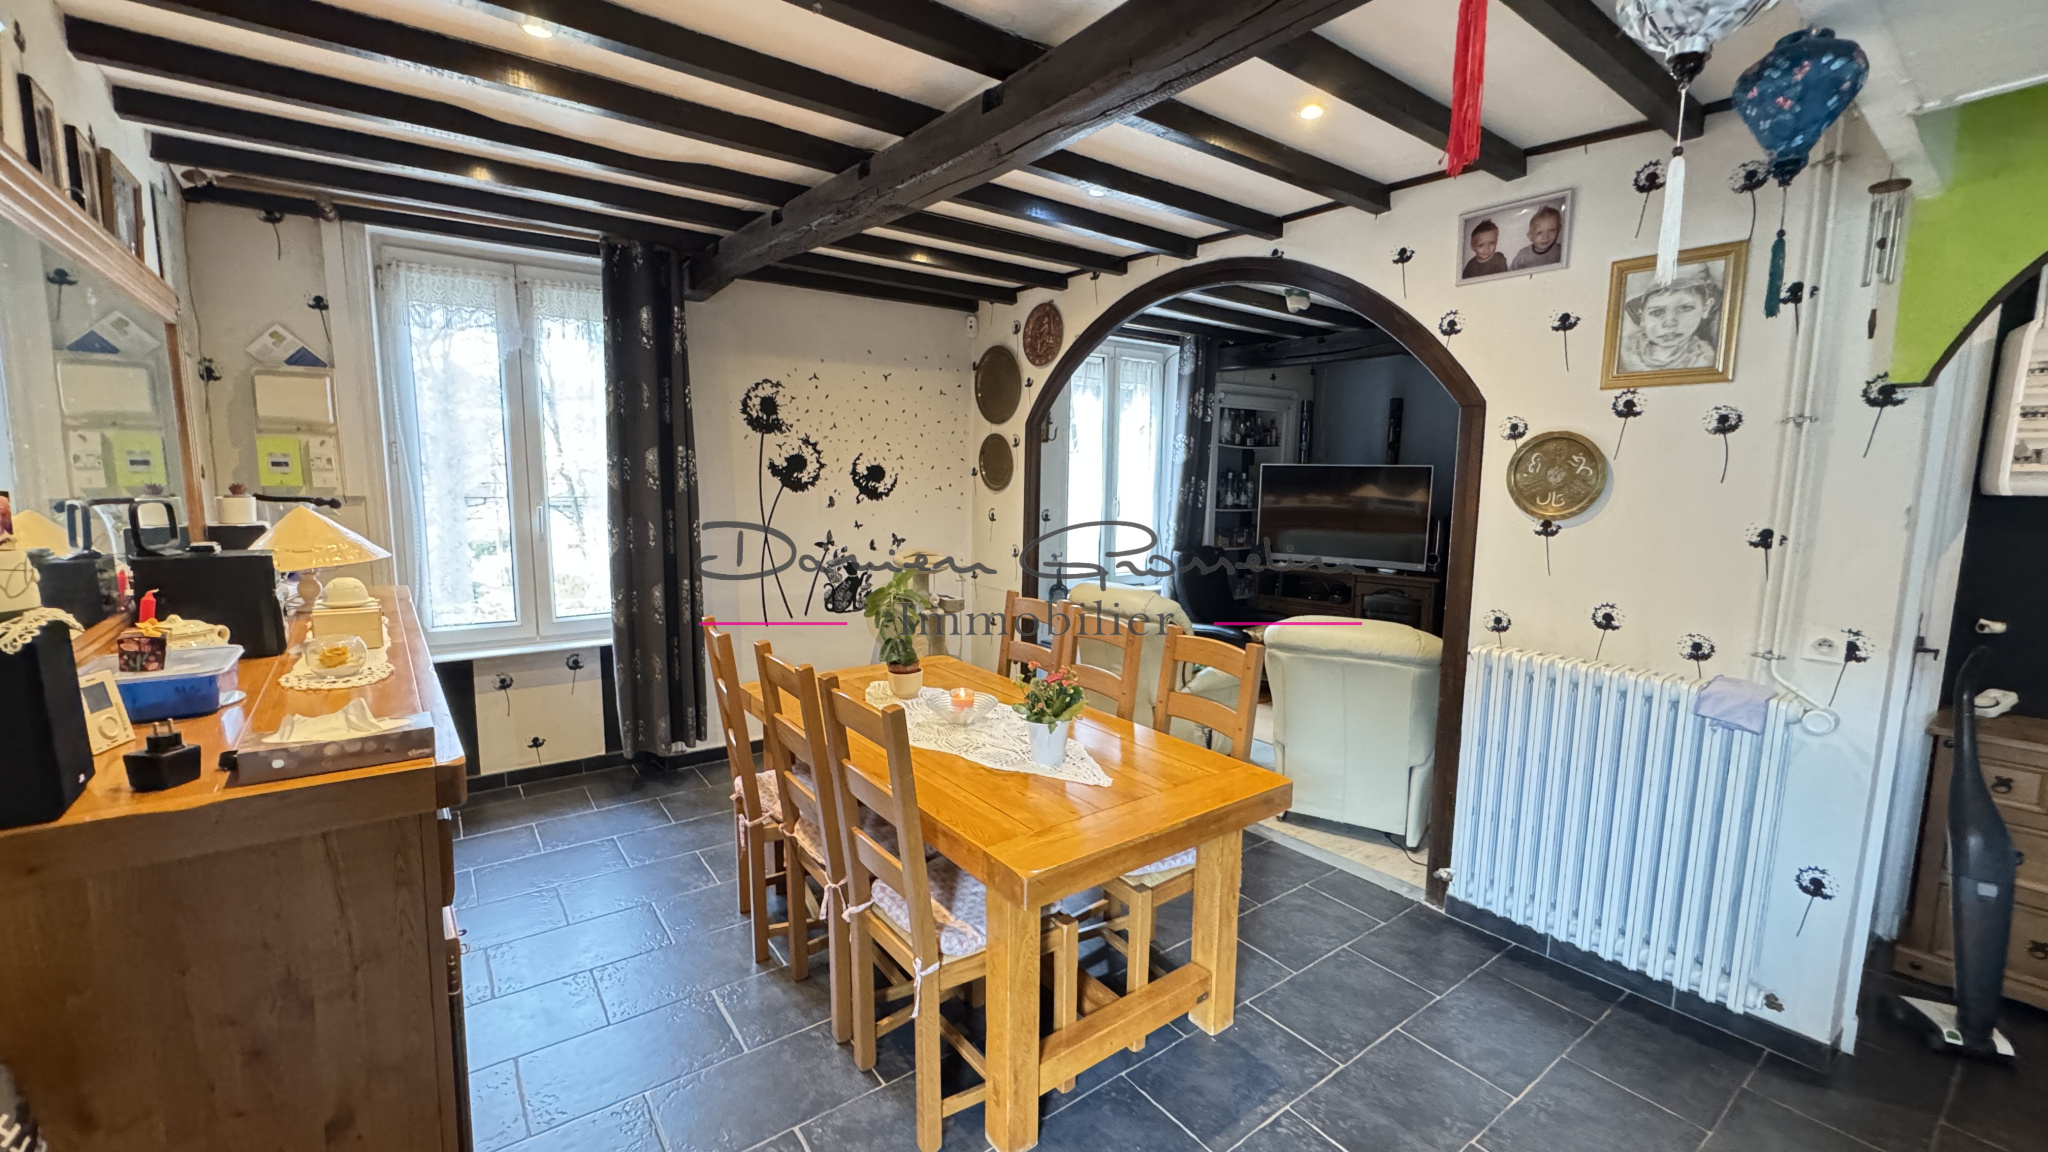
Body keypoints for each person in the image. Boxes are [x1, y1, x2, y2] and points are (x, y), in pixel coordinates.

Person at [1618, 263, 1721, 373]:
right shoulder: (1624, 351)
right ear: (1641, 316)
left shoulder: (1704, 359)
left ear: (1705, 308)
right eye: (1657, 312)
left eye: (1685, 308)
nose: (1670, 323)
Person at [1509, 205, 1565, 271]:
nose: (1545, 237)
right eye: (1539, 233)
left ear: (1558, 230)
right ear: (1530, 237)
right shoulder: (1523, 255)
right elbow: (1511, 273)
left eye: (1551, 230)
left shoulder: (1560, 251)